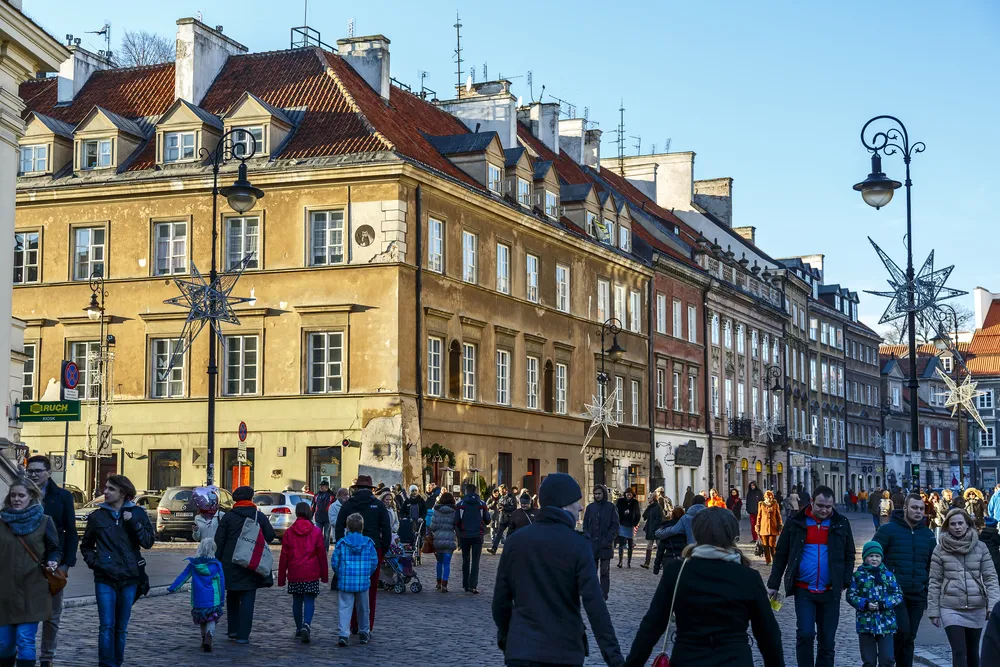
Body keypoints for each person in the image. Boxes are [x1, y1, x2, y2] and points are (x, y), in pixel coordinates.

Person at [493, 473, 624, 667]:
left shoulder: (515, 542)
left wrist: (511, 637)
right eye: (575, 501)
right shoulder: (578, 544)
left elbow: (500, 604)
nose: (580, 507)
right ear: (563, 504)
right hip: (563, 652)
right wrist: (614, 658)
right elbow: (595, 606)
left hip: (521, 651)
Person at [624, 508, 783, 667]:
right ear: (732, 536)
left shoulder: (677, 571)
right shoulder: (748, 577)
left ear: (696, 533)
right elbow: (768, 634)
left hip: (688, 659)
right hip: (735, 660)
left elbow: (651, 626)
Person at [766, 485, 855, 667]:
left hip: (831, 591)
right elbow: (782, 553)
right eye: (820, 505)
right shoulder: (796, 523)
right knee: (805, 634)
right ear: (812, 502)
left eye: (828, 507)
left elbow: (849, 554)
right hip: (804, 590)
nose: (824, 510)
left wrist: (845, 580)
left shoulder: (841, 523)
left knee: (827, 641)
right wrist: (773, 583)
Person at [81, 474, 154, 667]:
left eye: (110, 489)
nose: (105, 492)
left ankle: (117, 663)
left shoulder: (137, 514)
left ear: (123, 493)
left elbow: (148, 542)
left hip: (129, 578)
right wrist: (95, 562)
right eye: (106, 488)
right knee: (106, 626)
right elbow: (86, 546)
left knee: (121, 628)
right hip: (104, 577)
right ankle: (106, 664)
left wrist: (133, 523)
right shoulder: (97, 516)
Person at [0, 475, 62, 667]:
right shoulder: (2, 522)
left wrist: (53, 560)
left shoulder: (44, 521)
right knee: (4, 644)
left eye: (21, 496)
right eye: (13, 496)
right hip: (4, 592)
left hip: (33, 590)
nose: (16, 499)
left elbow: (55, 548)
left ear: (31, 497)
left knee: (25, 641)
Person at [928, 508, 1000, 667]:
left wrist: (994, 606)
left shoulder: (981, 547)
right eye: (953, 524)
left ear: (968, 525)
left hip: (977, 606)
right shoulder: (939, 550)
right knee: (959, 651)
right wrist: (933, 611)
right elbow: (934, 581)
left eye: (960, 523)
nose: (957, 527)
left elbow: (990, 577)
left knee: (973, 651)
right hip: (950, 607)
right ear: (947, 526)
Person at [872, 493, 937, 667]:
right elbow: (873, 559)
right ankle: (887, 660)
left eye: (921, 508)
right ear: (906, 508)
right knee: (902, 631)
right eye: (914, 508)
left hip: (918, 593)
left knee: (909, 638)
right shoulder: (887, 530)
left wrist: (927, 587)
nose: (918, 511)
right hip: (895, 594)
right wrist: (882, 584)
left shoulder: (928, 535)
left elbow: (934, 564)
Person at [25, 455, 76, 667]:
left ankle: (47, 658)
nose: (34, 475)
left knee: (52, 616)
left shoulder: (62, 496)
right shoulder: (21, 494)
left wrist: (66, 564)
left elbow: (71, 532)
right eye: (31, 471)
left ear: (48, 473)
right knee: (25, 614)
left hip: (55, 564)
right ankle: (24, 655)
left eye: (38, 471)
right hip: (27, 562)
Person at [214, 485, 276, 644]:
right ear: (251, 498)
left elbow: (219, 541)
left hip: (230, 563)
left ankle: (232, 630)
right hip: (251, 563)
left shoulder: (228, 517)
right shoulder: (258, 516)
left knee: (232, 596)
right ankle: (243, 635)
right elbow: (270, 536)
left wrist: (218, 561)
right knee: (248, 598)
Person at [334, 475, 391, 633]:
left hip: (350, 548)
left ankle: (353, 624)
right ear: (371, 489)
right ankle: (366, 627)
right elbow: (386, 531)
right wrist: (382, 550)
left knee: (350, 588)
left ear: (356, 488)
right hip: (373, 550)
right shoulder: (378, 506)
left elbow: (339, 527)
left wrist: (341, 545)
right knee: (370, 592)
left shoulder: (348, 505)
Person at [846, 541, 903, 667]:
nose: (874, 559)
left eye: (877, 556)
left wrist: (884, 604)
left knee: (887, 659)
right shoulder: (858, 576)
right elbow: (851, 595)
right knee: (869, 661)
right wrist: (865, 604)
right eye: (871, 556)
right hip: (866, 624)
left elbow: (898, 595)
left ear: (881, 558)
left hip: (886, 623)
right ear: (865, 558)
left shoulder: (888, 575)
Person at [277, 502, 328, 644]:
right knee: (310, 600)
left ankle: (299, 628)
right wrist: (324, 575)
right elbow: (321, 555)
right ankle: (307, 624)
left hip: (295, 571)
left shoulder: (289, 532)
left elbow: (284, 556)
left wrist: (281, 578)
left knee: (297, 601)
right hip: (311, 572)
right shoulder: (316, 531)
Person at [330, 513, 379, 647]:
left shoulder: (342, 543)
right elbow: (374, 561)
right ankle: (364, 632)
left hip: (346, 581)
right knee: (363, 608)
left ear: (348, 527)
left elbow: (334, 562)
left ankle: (343, 634)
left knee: (344, 608)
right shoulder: (368, 543)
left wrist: (340, 573)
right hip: (362, 581)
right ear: (362, 527)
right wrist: (367, 573)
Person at [168, 538, 225, 652]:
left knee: (202, 620)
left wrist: (173, 587)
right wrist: (222, 599)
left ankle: (203, 638)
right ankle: (209, 638)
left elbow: (183, 577)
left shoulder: (193, 564)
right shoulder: (217, 565)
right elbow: (221, 583)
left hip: (198, 599)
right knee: (211, 619)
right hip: (213, 599)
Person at [583, 484, 619, 600]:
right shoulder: (590, 508)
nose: (597, 496)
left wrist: (609, 538)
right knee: (592, 572)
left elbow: (615, 524)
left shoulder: (610, 507)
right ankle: (593, 592)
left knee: (604, 571)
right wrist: (587, 536)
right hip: (592, 544)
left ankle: (603, 594)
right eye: (595, 494)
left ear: (603, 494)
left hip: (605, 545)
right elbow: (585, 525)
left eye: (599, 493)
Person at [455, 482, 490, 594]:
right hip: (478, 535)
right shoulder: (481, 503)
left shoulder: (461, 504)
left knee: (465, 560)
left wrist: (459, 533)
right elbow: (487, 519)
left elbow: (456, 521)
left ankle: (465, 584)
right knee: (476, 561)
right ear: (476, 491)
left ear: (466, 491)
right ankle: (473, 585)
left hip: (465, 535)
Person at [429, 492, 457, 592]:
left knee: (439, 562)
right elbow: (456, 525)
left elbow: (432, 527)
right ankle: (445, 584)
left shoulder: (436, 511)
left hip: (438, 539)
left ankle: (438, 582)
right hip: (449, 539)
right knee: (447, 564)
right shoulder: (454, 511)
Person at [653, 507, 687, 575]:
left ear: (672, 515)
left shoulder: (666, 529)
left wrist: (656, 567)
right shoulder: (685, 528)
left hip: (668, 558)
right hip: (682, 559)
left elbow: (660, 550)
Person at [488, 484, 518, 554]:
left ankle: (509, 550)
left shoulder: (511, 497)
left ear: (505, 490)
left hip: (510, 518)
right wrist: (499, 507)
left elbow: (514, 507)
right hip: (502, 518)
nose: (499, 492)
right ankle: (494, 549)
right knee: (499, 534)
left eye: (501, 490)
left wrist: (504, 508)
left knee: (509, 535)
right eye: (499, 490)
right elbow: (500, 506)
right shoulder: (501, 497)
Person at [756, 489, 783, 565]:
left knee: (772, 545)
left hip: (773, 527)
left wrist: (780, 524)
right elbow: (759, 516)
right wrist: (757, 526)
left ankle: (775, 560)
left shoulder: (775, 504)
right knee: (765, 546)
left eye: (771, 497)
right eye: (768, 497)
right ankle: (768, 561)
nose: (769, 499)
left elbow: (778, 516)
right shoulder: (761, 504)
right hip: (763, 528)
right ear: (765, 497)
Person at [615, 488, 641, 568]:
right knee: (621, 544)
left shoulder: (635, 502)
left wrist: (635, 523)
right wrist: (623, 514)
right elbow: (616, 511)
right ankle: (620, 561)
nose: (629, 495)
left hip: (630, 525)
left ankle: (629, 562)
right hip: (622, 524)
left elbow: (638, 514)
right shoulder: (620, 501)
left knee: (630, 544)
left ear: (632, 495)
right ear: (625, 494)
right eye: (627, 493)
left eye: (630, 494)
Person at [640, 494, 663, 570]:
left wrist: (654, 528)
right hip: (650, 529)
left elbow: (658, 519)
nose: (648, 499)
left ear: (653, 499)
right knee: (649, 546)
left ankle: (661, 563)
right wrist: (648, 507)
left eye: (649, 498)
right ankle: (647, 563)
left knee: (659, 546)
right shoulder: (650, 507)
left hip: (656, 529)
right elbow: (644, 516)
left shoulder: (657, 507)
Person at [311, 480, 335, 546]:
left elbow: (334, 506)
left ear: (327, 486)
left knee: (326, 536)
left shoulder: (332, 495)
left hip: (328, 518)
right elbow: (313, 506)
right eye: (320, 486)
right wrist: (311, 515)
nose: (321, 487)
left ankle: (325, 550)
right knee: (318, 534)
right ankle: (318, 549)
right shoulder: (316, 495)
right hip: (318, 518)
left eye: (322, 486)